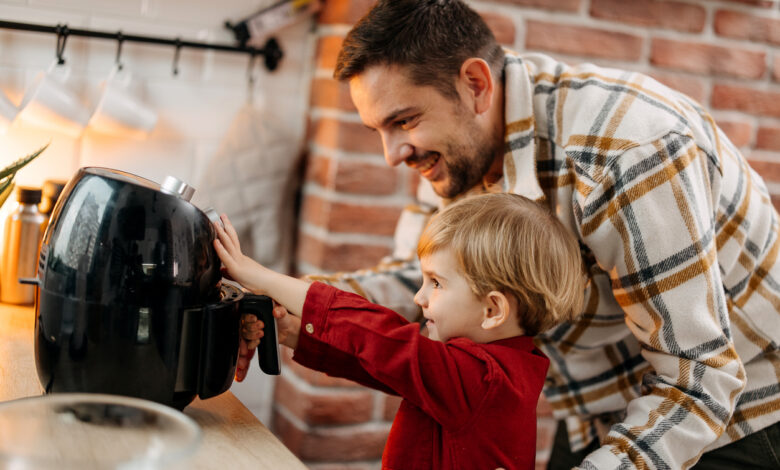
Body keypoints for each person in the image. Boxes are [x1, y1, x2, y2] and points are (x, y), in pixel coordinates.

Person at [239, 1, 780, 468]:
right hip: (602, 402)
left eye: (403, 121)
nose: (391, 154)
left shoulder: (624, 155)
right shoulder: (454, 153)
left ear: (475, 84)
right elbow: (416, 282)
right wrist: (286, 307)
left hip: (738, 412)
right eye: (377, 129)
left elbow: (699, 378)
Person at [216, 192, 585, 469]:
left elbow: (385, 341)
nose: (420, 297)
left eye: (436, 283)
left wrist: (260, 275)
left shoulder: (484, 381)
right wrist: (291, 330)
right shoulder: (486, 371)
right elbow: (381, 363)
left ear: (492, 309)